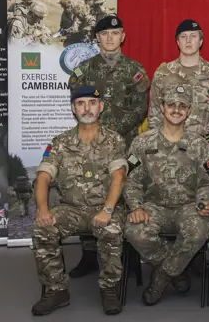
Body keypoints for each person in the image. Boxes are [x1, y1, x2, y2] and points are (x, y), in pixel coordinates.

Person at [30, 85, 128, 316]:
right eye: (81, 103)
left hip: (104, 207)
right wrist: (42, 209)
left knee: (112, 229)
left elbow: (119, 177)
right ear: (73, 109)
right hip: (70, 209)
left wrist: (107, 209)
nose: (87, 108)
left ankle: (109, 288)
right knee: (43, 229)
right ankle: (56, 289)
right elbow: (43, 178)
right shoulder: (60, 142)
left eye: (92, 103)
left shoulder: (114, 140)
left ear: (101, 106)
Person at [66, 15, 150, 279]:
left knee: (123, 192)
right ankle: (90, 254)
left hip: (123, 143)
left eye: (115, 33)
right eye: (105, 34)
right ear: (98, 38)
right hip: (90, 142)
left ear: (123, 36)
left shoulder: (135, 70)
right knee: (89, 190)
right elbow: (79, 106)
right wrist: (99, 131)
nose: (110, 38)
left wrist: (114, 131)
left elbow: (140, 108)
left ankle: (125, 252)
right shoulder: (84, 70)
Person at [124, 85, 209, 306]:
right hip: (153, 206)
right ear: (162, 108)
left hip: (188, 206)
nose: (176, 110)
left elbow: (208, 181)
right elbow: (132, 180)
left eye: (182, 106)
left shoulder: (200, 145)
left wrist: (204, 201)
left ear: (189, 110)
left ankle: (162, 277)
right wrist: (136, 207)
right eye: (171, 105)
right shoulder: (142, 143)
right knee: (135, 231)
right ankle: (176, 270)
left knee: (199, 229)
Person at [148, 19, 209, 143]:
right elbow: (154, 115)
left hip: (203, 145)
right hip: (170, 145)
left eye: (193, 36)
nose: (188, 41)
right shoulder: (163, 73)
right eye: (183, 37)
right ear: (177, 42)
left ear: (200, 41)